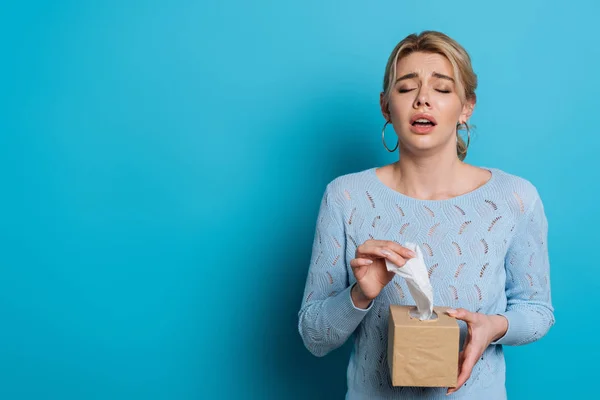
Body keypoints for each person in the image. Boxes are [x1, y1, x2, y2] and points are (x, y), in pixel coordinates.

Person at [297, 31, 555, 399]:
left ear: (467, 107)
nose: (422, 99)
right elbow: (314, 337)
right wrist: (361, 294)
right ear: (386, 107)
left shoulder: (514, 198)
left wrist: (494, 326)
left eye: (442, 89)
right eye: (406, 89)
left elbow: (537, 311)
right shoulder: (346, 197)